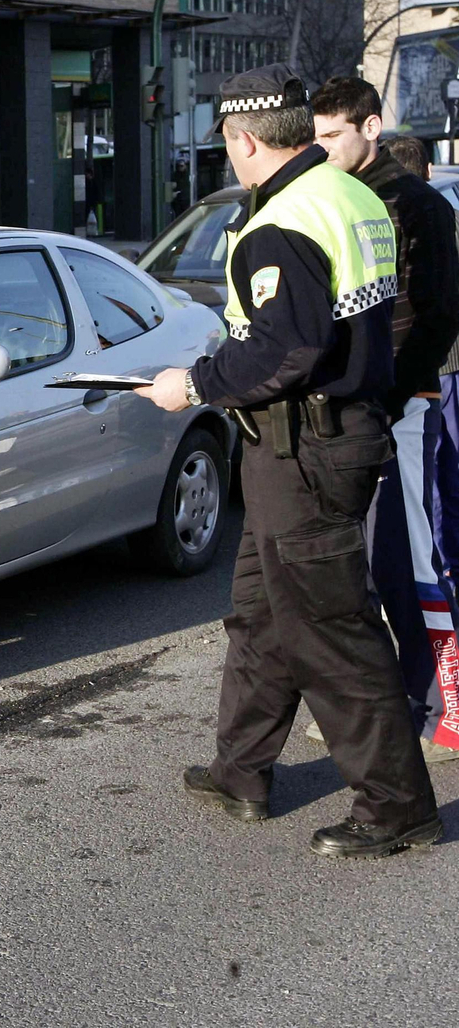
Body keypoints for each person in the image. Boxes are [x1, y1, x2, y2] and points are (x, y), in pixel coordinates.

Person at [135, 65, 442, 858]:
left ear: (242, 140)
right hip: (315, 441)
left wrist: (190, 384)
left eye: (227, 143)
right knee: (262, 613)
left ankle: (397, 806)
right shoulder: (350, 194)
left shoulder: (282, 221)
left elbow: (287, 350)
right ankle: (241, 771)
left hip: (306, 448)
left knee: (330, 631)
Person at [311, 77, 459, 765]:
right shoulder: (331, 196)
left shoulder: (420, 203)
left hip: (401, 408)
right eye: (314, 135)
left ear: (371, 127)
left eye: (331, 134)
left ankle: (445, 708)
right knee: (356, 568)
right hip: (348, 410)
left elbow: (437, 316)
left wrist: (392, 399)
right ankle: (375, 701)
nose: (320, 147)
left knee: (416, 559)